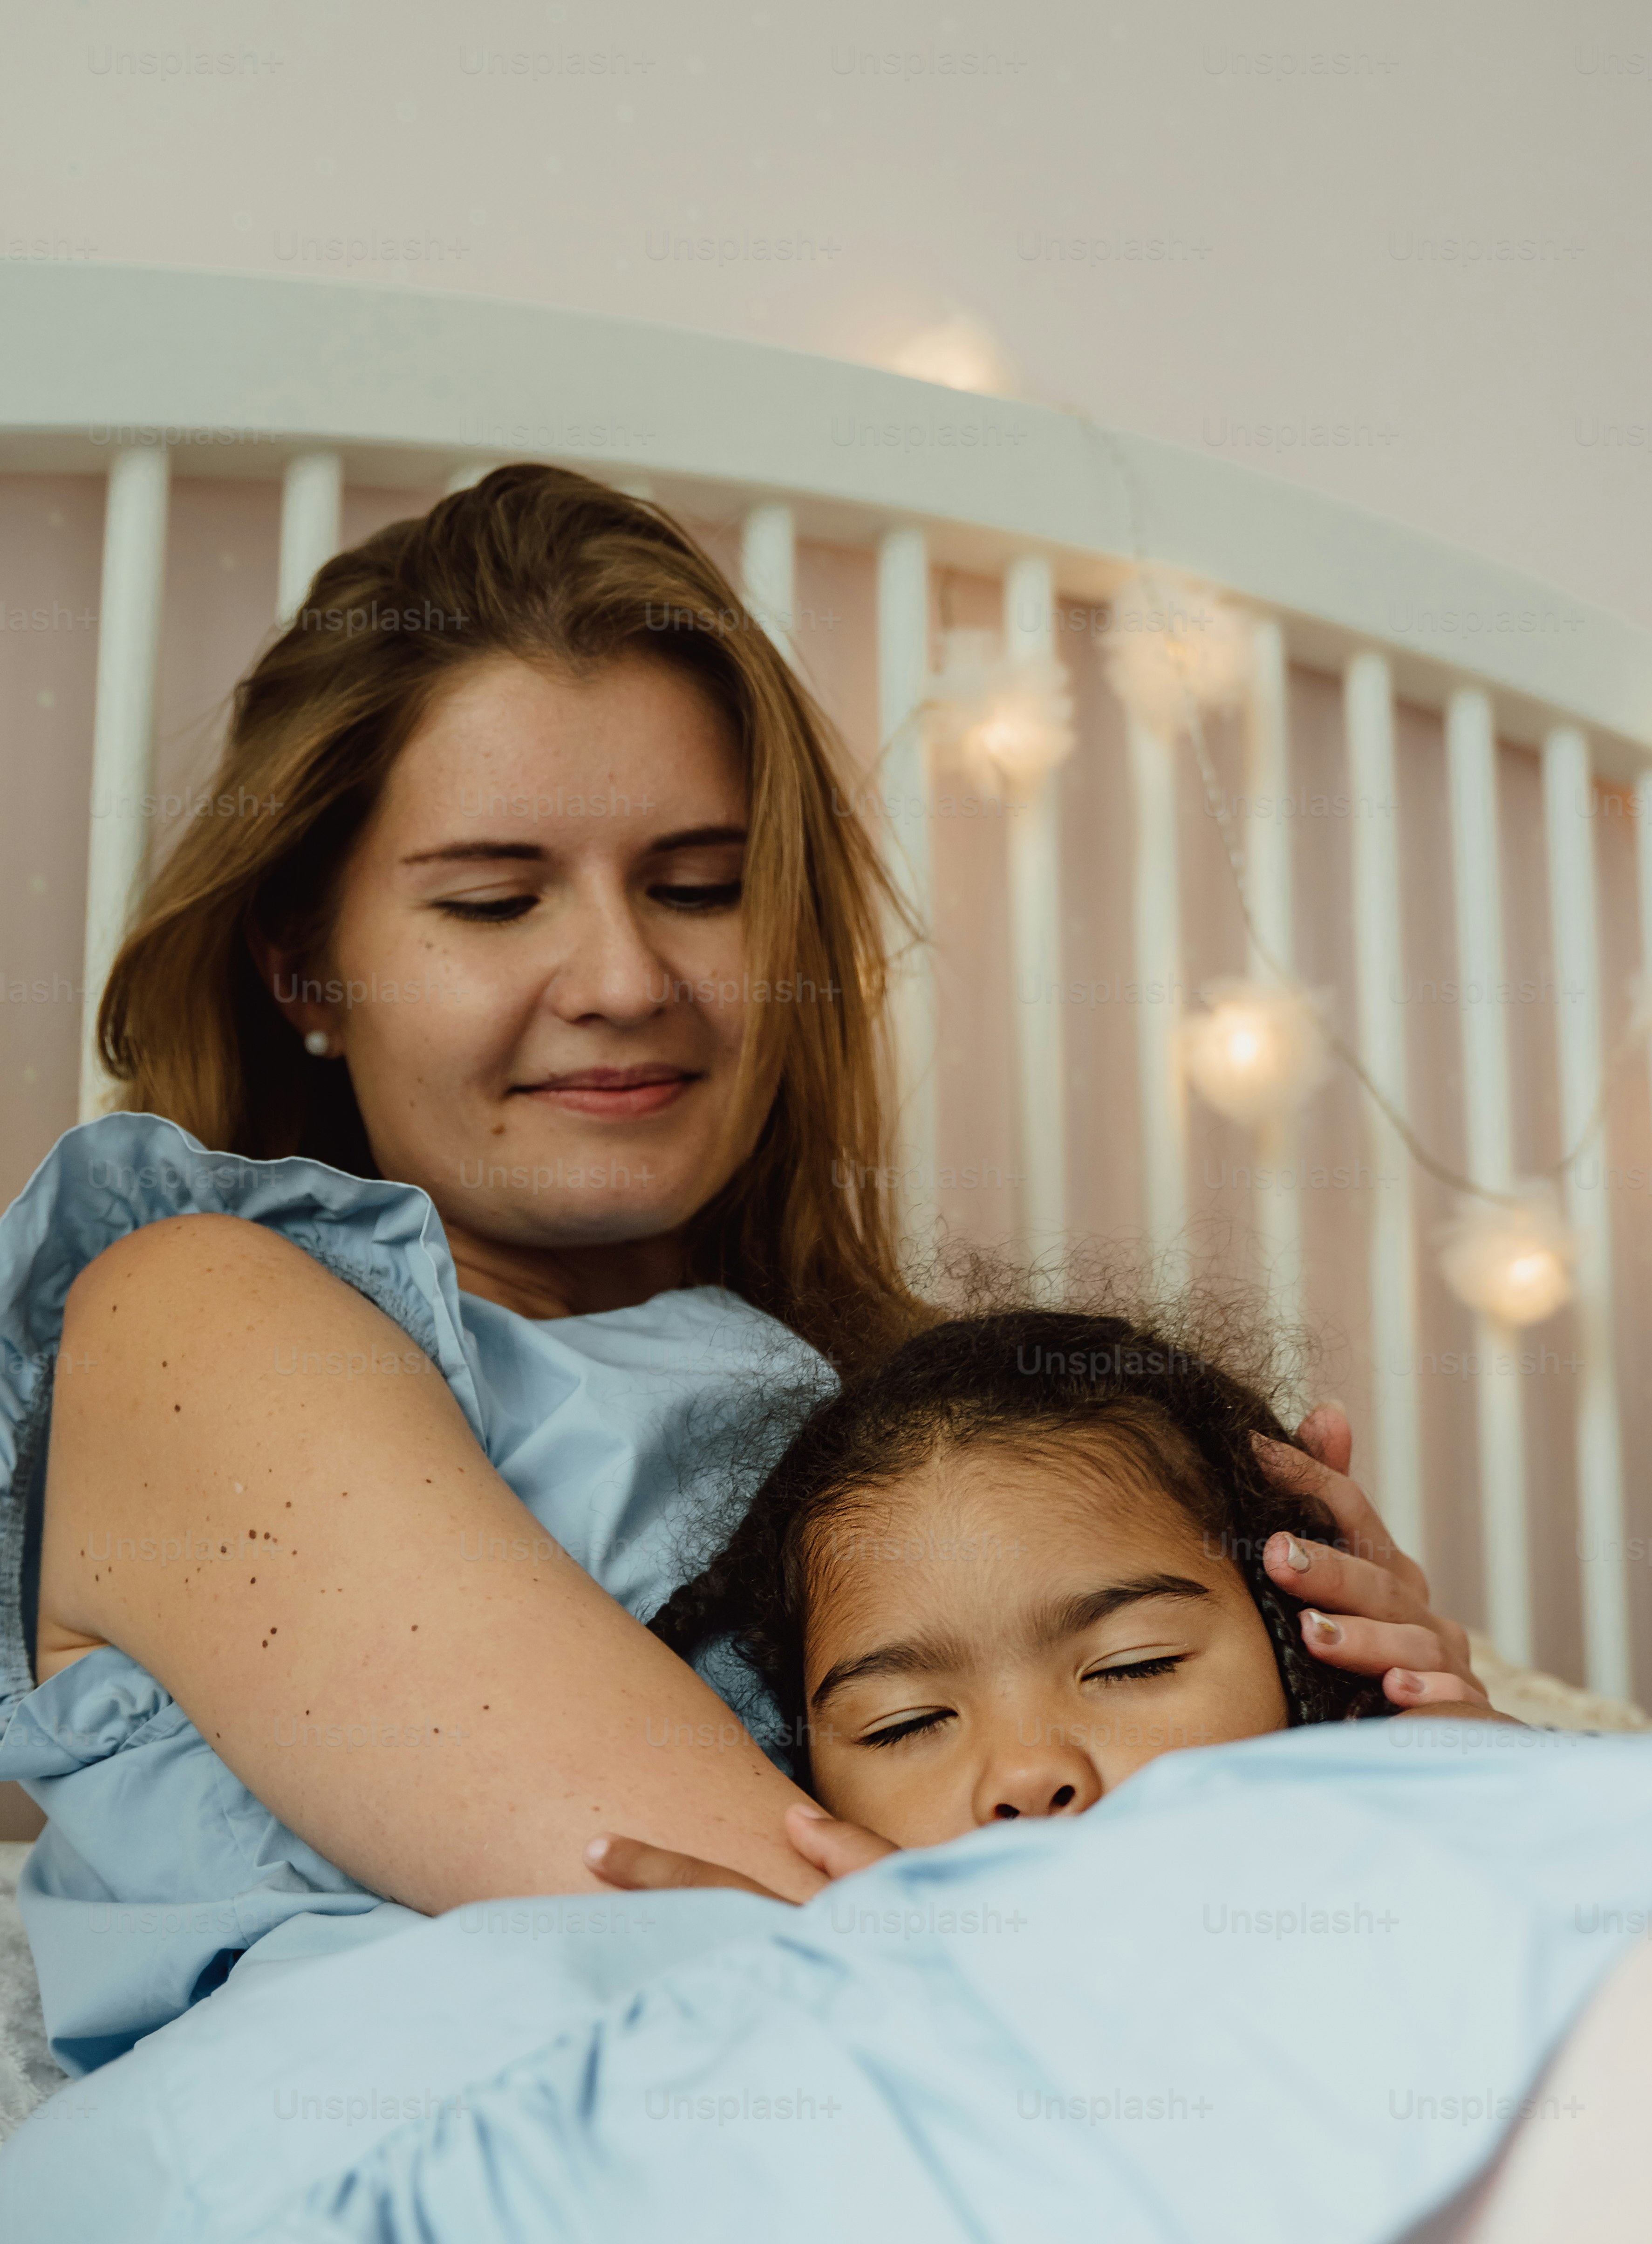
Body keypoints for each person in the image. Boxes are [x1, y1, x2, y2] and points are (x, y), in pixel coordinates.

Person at [0, 465, 1483, 2069]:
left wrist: (1416, 1760)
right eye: (495, 902)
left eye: (700, 889)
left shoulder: (920, 1431)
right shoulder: (192, 1320)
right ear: (304, 965)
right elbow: (798, 1957)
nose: (625, 980)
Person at [587, 1303, 1512, 1897]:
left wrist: (1496, 1793)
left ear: (1302, 1651)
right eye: (907, 1722)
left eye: (1131, 1665)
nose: (1028, 1775)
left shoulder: (1425, 1861)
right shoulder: (843, 2015)